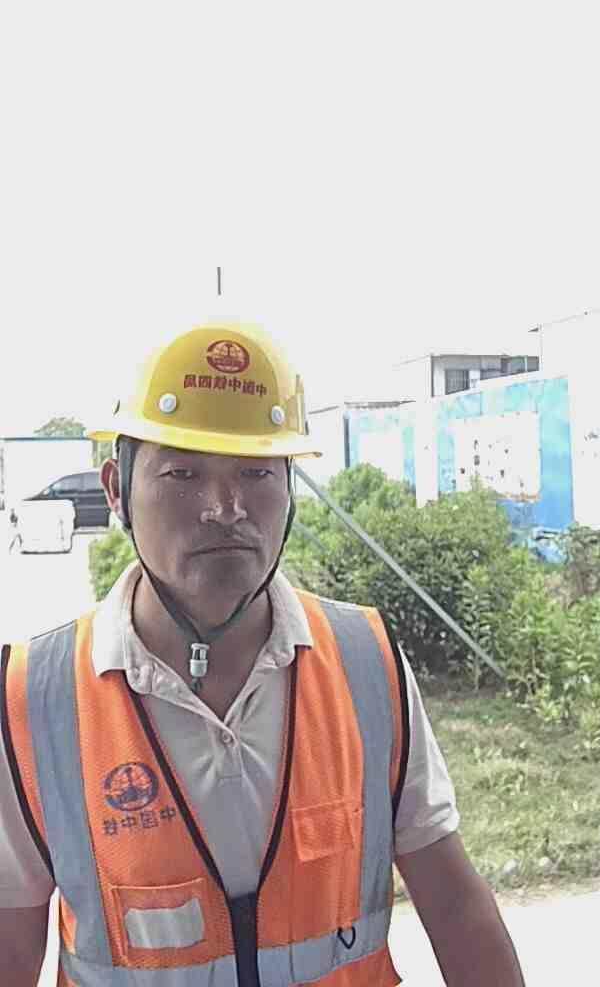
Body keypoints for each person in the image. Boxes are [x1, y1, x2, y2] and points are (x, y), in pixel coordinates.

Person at [0, 322, 524, 987]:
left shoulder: (366, 662)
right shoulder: (35, 697)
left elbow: (453, 903)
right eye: (183, 473)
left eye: (256, 473)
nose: (225, 508)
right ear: (116, 490)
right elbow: (10, 951)